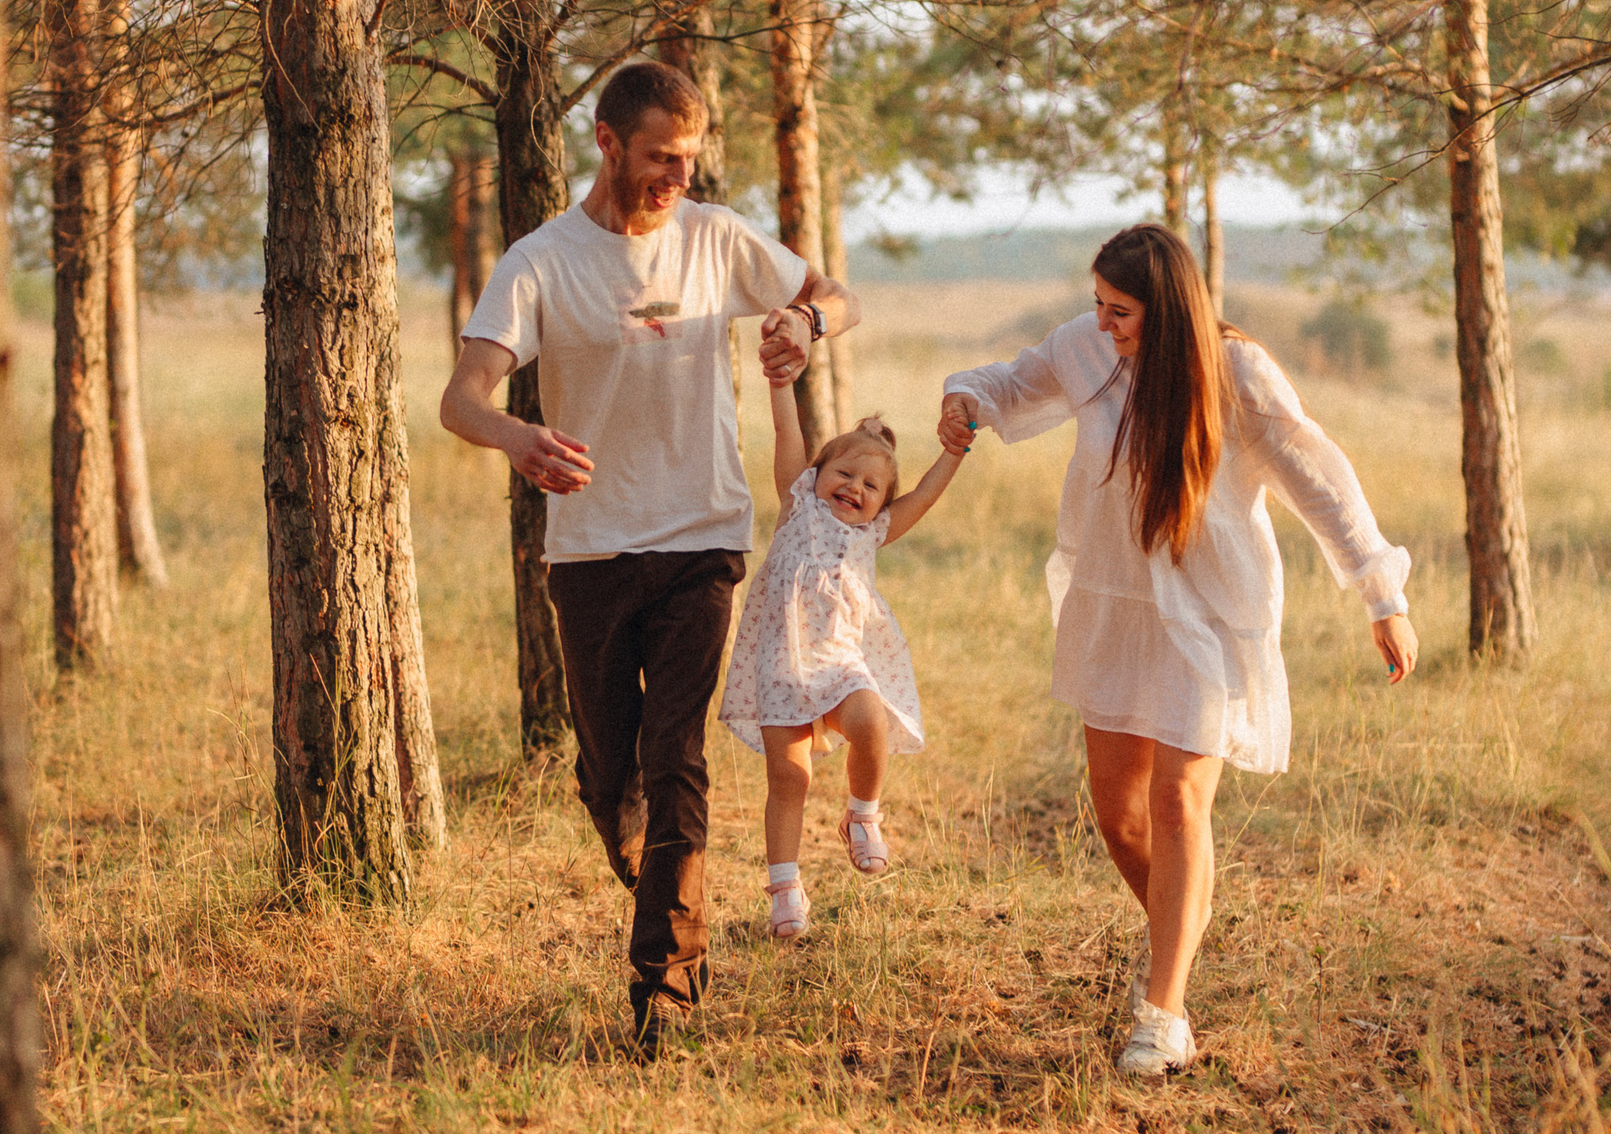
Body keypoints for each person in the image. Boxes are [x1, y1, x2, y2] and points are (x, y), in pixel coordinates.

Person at [439, 60, 858, 1055]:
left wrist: (803, 320)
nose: (677, 176)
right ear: (607, 140)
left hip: (700, 536)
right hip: (587, 549)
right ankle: (651, 867)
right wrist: (518, 438)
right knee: (605, 772)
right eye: (661, 158)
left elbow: (834, 296)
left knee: (676, 759)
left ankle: (662, 986)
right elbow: (462, 399)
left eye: (689, 159)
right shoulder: (540, 261)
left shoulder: (715, 237)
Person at [937, 224, 1417, 1077]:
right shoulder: (1085, 349)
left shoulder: (1236, 374)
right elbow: (1009, 384)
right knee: (1118, 818)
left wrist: (1383, 596)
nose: (1104, 324)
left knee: (1176, 804)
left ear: (1168, 310)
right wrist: (965, 398)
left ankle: (1163, 1012)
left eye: (1121, 311)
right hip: (1115, 608)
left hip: (1208, 616)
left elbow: (1323, 480)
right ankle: (1180, 934)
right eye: (1098, 306)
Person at [719, 345, 967, 940]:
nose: (855, 488)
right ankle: (784, 888)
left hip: (839, 660)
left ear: (883, 502)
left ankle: (862, 816)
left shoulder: (874, 531)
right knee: (789, 779)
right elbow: (786, 431)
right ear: (815, 477)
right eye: (844, 474)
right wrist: (781, 382)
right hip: (782, 665)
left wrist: (953, 452)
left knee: (871, 722)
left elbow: (925, 496)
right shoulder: (798, 502)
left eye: (872, 486)